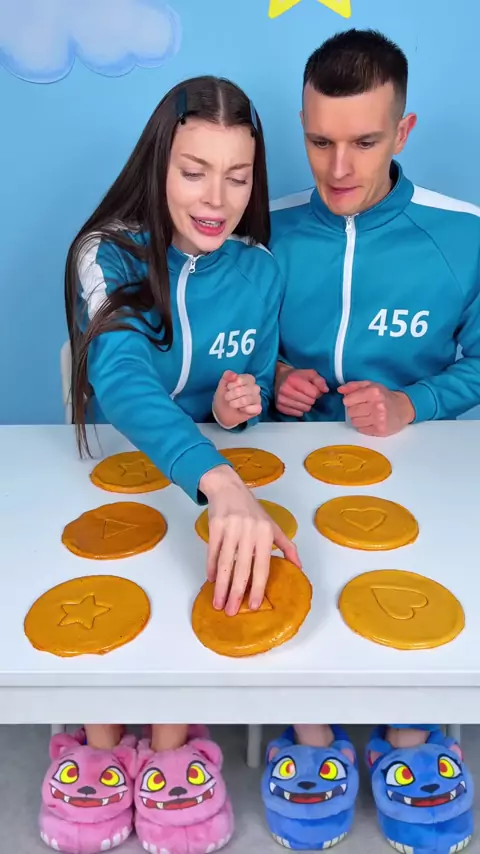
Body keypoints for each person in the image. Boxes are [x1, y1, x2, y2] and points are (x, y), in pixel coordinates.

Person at [40, 75, 300, 854]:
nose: (216, 199)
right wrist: (219, 480)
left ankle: (170, 743)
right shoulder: (104, 253)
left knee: (197, 584)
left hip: (207, 472)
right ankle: (96, 742)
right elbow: (120, 377)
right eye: (193, 171)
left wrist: (236, 407)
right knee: (111, 591)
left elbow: (250, 392)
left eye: (238, 176)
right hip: (120, 474)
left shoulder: (260, 269)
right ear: (158, 165)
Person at [264, 29, 478, 853]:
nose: (339, 167)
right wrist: (277, 376)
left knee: (425, 574)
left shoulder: (464, 236)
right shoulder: (263, 231)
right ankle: (309, 738)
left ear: (404, 131)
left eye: (363, 141)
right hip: (285, 467)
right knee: (279, 562)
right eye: (320, 142)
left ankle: (413, 738)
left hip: (420, 470)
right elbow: (224, 348)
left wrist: (411, 403)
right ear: (302, 127)